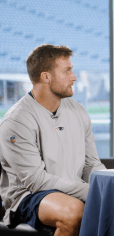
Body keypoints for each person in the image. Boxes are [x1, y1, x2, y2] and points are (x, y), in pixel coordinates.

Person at [0, 44, 105, 236]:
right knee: (74, 212)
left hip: (73, 190)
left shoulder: (78, 110)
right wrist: (90, 193)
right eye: (67, 71)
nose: (74, 77)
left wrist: (108, 187)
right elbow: (37, 181)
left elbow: (91, 164)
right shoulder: (16, 120)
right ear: (45, 76)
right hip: (29, 197)